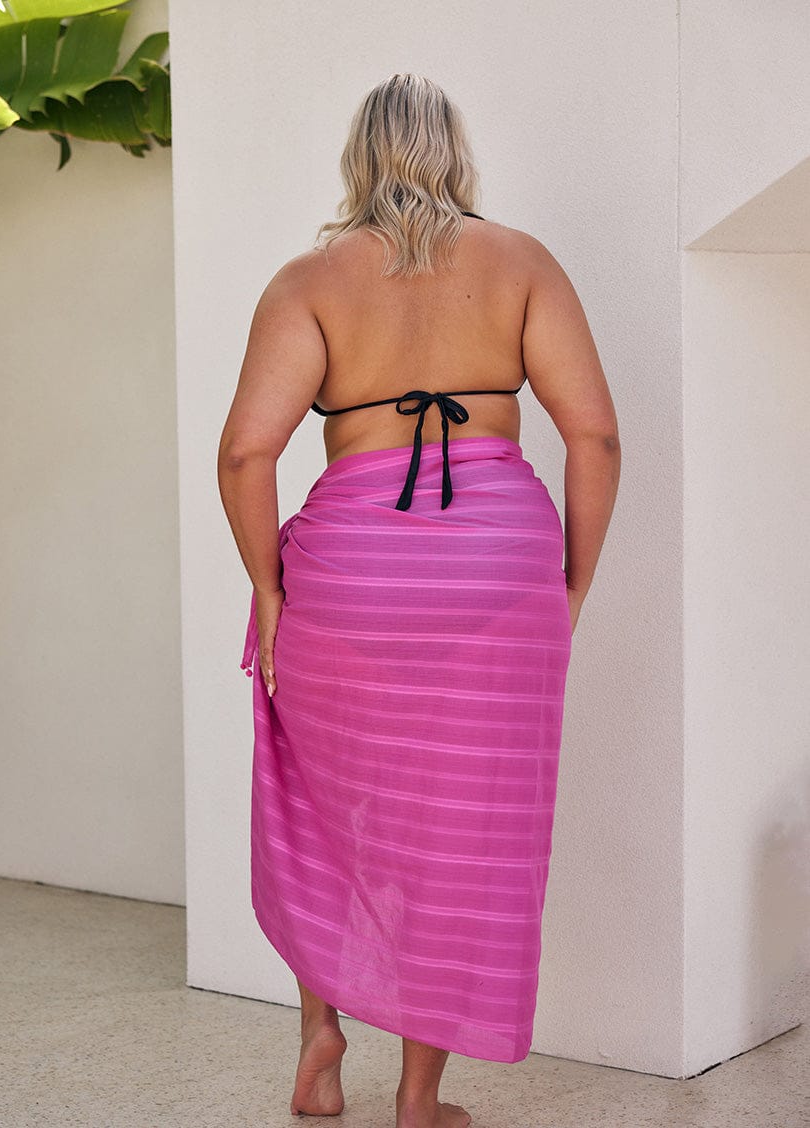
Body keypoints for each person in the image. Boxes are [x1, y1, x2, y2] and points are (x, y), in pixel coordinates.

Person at [218, 72, 620, 1128]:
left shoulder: (308, 281)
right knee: (458, 833)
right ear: (456, 153)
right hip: (497, 573)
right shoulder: (522, 264)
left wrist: (267, 588)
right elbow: (597, 436)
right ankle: (420, 1097)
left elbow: (245, 453)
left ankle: (318, 1040)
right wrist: (573, 575)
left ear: (358, 157)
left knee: (324, 806)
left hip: (346, 577)